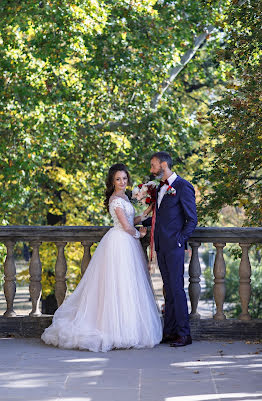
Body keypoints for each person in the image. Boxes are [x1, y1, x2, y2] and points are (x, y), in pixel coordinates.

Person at [41, 163, 162, 352]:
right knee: (116, 286)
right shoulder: (115, 200)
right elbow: (127, 227)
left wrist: (145, 214)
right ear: (112, 182)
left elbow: (131, 220)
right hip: (119, 244)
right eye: (118, 179)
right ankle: (115, 331)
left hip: (127, 244)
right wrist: (141, 235)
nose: (122, 182)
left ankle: (128, 328)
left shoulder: (125, 197)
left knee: (129, 286)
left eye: (124, 178)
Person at [143, 152, 197, 347]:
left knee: (176, 289)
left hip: (174, 246)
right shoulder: (159, 189)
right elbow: (160, 217)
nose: (151, 169)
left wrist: (180, 240)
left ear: (164, 165)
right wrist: (141, 221)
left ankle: (184, 334)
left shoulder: (183, 187)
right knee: (169, 290)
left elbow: (192, 220)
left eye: (153, 165)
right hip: (160, 246)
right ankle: (171, 331)